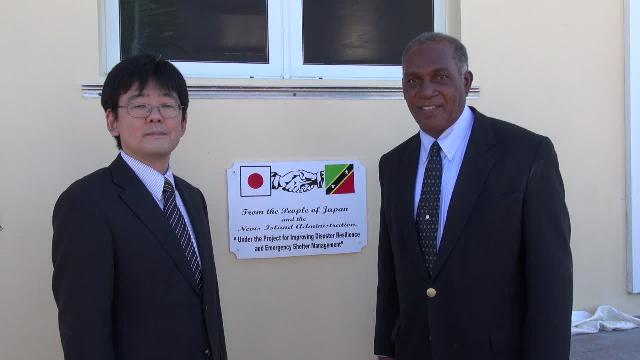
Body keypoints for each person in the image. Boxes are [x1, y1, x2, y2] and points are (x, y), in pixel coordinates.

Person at [374, 32, 572, 360]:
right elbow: (391, 269)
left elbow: (551, 281)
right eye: (413, 81)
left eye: (440, 77)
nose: (426, 92)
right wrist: (386, 348)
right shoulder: (393, 165)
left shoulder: (527, 154)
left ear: (465, 81)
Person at [52, 55, 227, 360]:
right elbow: (83, 331)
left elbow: (206, 308)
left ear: (183, 122)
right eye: (139, 105)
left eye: (167, 105)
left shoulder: (192, 198)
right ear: (112, 121)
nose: (155, 116)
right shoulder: (86, 202)